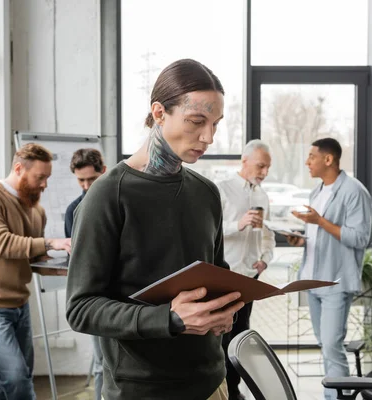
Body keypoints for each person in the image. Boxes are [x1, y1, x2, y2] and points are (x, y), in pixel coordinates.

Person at [66, 59, 244, 400]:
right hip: (141, 390)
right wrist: (169, 319)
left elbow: (217, 274)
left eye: (215, 124)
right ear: (159, 113)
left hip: (212, 382)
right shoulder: (107, 196)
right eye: (196, 121)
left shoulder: (206, 193)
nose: (208, 137)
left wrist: (226, 310)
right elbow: (81, 308)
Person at [0, 143, 72, 400]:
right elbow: (1, 244)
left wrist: (72, 267)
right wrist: (52, 242)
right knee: (16, 378)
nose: (44, 185)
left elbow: (32, 258)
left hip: (20, 304)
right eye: (39, 177)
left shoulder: (36, 211)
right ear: (19, 168)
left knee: (14, 380)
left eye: (47, 178)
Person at [288, 138, 372, 400]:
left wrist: (320, 221)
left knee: (332, 348)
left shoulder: (354, 191)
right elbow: (318, 235)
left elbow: (360, 238)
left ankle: (336, 398)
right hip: (312, 281)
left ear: (328, 159)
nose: (307, 162)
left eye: (312, 156)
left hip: (335, 283)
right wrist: (301, 238)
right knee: (326, 345)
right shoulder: (318, 191)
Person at [217, 139, 276, 400]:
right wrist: (238, 224)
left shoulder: (262, 195)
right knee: (221, 336)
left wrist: (266, 258)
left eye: (267, 168)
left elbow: (267, 234)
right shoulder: (223, 189)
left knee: (240, 335)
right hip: (225, 276)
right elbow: (212, 232)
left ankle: (234, 391)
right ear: (245, 160)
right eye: (260, 166)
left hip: (249, 277)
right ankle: (220, 390)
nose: (264, 172)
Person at [64, 148, 107, 400]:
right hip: (94, 297)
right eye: (81, 180)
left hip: (124, 295)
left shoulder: (119, 200)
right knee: (101, 363)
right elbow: (76, 261)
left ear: (103, 171)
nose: (87, 185)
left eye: (92, 179)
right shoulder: (73, 210)